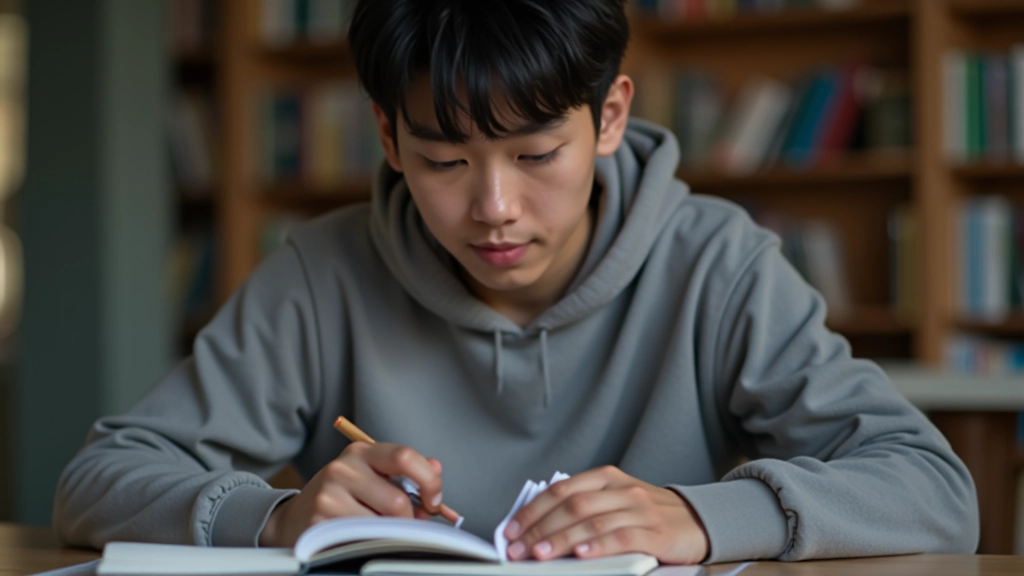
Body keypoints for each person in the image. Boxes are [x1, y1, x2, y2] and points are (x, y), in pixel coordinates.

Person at [54, 0, 978, 565]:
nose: (494, 207)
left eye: (537, 153)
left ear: (610, 115)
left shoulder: (716, 263)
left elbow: (934, 492)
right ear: (386, 137)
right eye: (444, 160)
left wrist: (701, 518)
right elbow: (97, 480)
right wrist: (278, 516)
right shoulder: (320, 275)